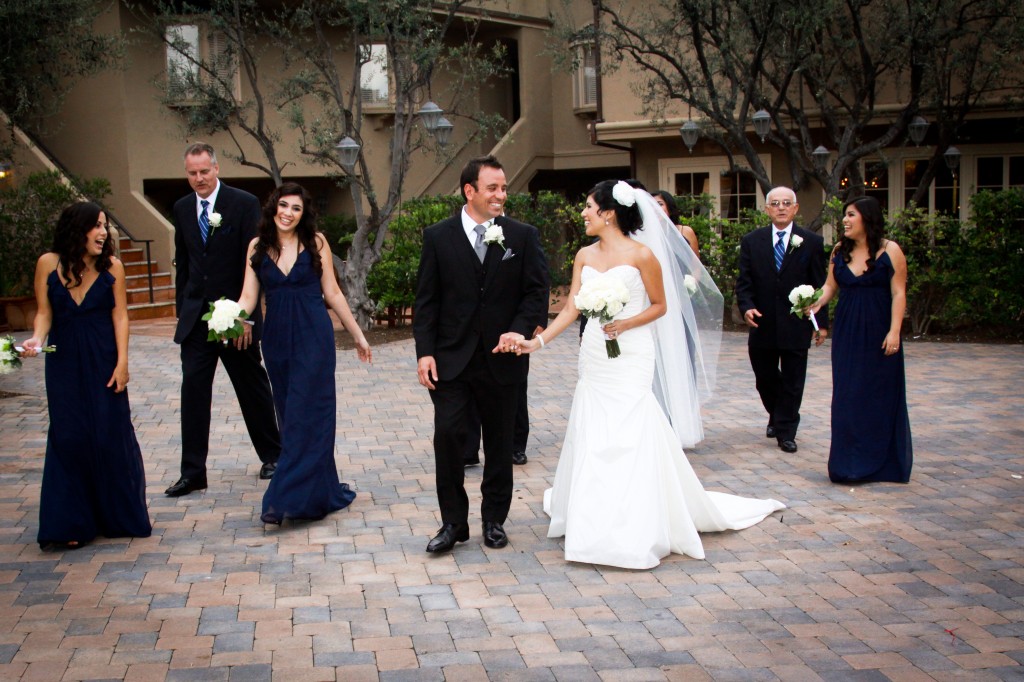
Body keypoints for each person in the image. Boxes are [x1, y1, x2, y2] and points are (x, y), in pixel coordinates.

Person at [500, 180, 781, 569]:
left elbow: (661, 306)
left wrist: (626, 323)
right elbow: (571, 309)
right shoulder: (584, 255)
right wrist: (539, 343)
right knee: (595, 426)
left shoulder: (643, 255)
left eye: (587, 206)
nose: (582, 213)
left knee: (631, 427)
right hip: (596, 353)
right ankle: (595, 514)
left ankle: (636, 520)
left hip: (631, 352)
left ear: (609, 213)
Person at [413, 155, 550, 553]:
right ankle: (453, 523)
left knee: (499, 442)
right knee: (448, 439)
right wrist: (425, 352)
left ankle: (494, 520)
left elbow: (536, 292)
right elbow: (427, 301)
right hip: (451, 359)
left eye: (504, 187)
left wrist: (520, 330)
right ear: (469, 191)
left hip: (503, 358)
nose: (501, 195)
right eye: (493, 187)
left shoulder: (521, 236)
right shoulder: (437, 236)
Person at [235, 183, 372, 523]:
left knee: (309, 415)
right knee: (289, 414)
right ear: (273, 207)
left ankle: (287, 498)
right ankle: (318, 490)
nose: (288, 213)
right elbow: (248, 298)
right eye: (283, 205)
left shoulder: (316, 243)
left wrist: (358, 335)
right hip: (278, 339)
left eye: (296, 208)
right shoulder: (257, 246)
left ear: (303, 214)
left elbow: (334, 294)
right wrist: (230, 318)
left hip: (314, 337)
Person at [22, 202, 152, 550]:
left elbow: (121, 317)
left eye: (105, 225)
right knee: (69, 435)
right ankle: (71, 521)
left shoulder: (114, 267)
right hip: (63, 361)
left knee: (110, 432)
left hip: (103, 359)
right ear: (76, 229)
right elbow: (44, 313)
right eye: (96, 225)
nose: (103, 232)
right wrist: (37, 338)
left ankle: (116, 516)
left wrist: (123, 362)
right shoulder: (48, 264)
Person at [167, 142, 281, 497]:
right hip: (196, 320)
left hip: (236, 317)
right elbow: (183, 263)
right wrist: (181, 312)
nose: (199, 179)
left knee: (251, 386)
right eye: (192, 173)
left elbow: (255, 263)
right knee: (194, 391)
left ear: (216, 168)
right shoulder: (182, 208)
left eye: (204, 171)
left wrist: (246, 318)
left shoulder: (244, 204)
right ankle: (193, 472)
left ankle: (273, 456)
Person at [809, 196, 912, 483]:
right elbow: (830, 286)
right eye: (844, 215)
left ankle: (882, 463)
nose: (845, 220)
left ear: (866, 218)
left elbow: (898, 294)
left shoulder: (890, 251)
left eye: (851, 215)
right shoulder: (840, 250)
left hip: (879, 330)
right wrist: (815, 303)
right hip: (848, 331)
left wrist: (894, 332)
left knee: (878, 394)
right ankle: (847, 463)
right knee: (848, 395)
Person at [735, 187, 828, 454]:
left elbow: (820, 286)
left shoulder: (810, 241)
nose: (781, 207)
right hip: (762, 322)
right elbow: (744, 283)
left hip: (795, 324)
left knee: (793, 380)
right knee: (764, 377)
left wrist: (820, 323)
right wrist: (747, 307)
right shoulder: (753, 241)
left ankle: (786, 430)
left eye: (787, 203)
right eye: (775, 203)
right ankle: (776, 413)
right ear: (767, 209)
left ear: (796, 208)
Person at [653, 190, 700, 257]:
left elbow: (696, 264)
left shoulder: (686, 231)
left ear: (669, 207)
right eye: (652, 205)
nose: (656, 208)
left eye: (660, 204)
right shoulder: (647, 234)